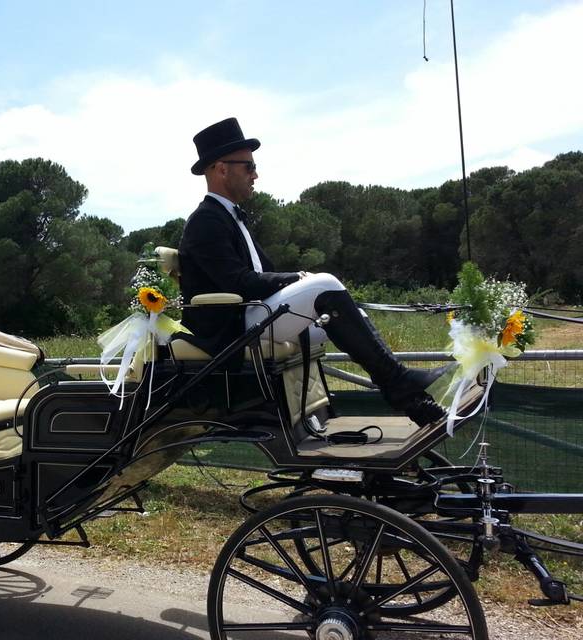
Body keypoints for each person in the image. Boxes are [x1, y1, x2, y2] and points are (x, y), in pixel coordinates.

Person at [178, 117, 445, 427]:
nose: (256, 175)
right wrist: (299, 280)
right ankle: (400, 383)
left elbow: (263, 274)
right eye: (249, 167)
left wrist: (298, 279)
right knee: (325, 285)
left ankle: (414, 402)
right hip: (233, 328)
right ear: (222, 169)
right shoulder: (205, 222)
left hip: (252, 316)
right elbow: (239, 283)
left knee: (349, 315)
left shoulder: (230, 218)